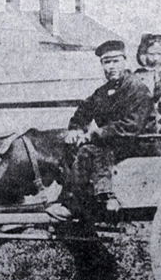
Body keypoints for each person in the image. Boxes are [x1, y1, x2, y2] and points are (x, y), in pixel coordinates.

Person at [46, 40, 153, 220]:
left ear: (125, 62)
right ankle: (78, 196)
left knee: (89, 150)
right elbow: (83, 111)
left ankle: (80, 203)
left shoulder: (137, 89)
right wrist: (75, 129)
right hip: (115, 143)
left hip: (139, 144)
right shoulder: (102, 92)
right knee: (70, 146)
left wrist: (94, 134)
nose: (111, 67)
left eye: (115, 61)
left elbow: (131, 126)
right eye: (106, 62)